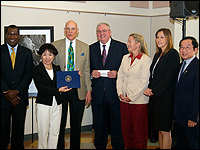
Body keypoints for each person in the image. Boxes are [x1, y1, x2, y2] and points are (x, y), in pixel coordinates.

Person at [52, 20, 92, 149]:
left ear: (77, 30)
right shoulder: (55, 45)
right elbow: (51, 67)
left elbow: (86, 70)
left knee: (76, 124)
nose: (70, 31)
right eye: (68, 29)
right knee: (60, 123)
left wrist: (88, 90)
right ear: (64, 30)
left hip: (78, 90)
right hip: (61, 89)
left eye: (73, 29)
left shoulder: (85, 47)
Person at [90, 22, 128, 149]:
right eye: (99, 31)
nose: (101, 34)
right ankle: (100, 146)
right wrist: (92, 73)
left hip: (115, 93)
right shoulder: (91, 48)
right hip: (98, 94)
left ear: (110, 32)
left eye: (104, 31)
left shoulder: (121, 47)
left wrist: (117, 73)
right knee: (99, 125)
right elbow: (87, 68)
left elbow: (127, 69)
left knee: (117, 125)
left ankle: (118, 146)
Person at [143, 28, 180, 149]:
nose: (158, 40)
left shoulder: (172, 54)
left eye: (162, 37)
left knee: (165, 130)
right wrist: (149, 88)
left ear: (168, 39)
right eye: (157, 37)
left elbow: (168, 78)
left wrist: (154, 91)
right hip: (156, 97)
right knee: (158, 129)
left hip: (166, 98)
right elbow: (153, 76)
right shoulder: (157, 54)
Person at [32, 43, 71, 149]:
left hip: (58, 103)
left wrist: (75, 78)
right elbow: (41, 88)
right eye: (44, 54)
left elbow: (64, 81)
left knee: (55, 132)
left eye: (50, 54)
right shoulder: (37, 69)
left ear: (54, 56)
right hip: (44, 104)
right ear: (41, 56)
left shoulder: (57, 68)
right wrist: (58, 90)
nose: (47, 57)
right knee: (43, 133)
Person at [1, 24, 33, 149]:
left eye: (15, 34)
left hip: (20, 98)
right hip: (3, 98)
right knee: (2, 129)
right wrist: (8, 93)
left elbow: (28, 74)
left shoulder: (26, 53)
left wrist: (17, 91)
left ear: (19, 36)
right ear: (6, 35)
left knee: (18, 130)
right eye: (9, 34)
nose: (12, 36)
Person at [116, 33, 151, 149]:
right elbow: (120, 77)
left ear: (138, 44)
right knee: (126, 131)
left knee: (139, 133)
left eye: (130, 42)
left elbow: (144, 82)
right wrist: (120, 93)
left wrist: (131, 97)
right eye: (128, 41)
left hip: (138, 101)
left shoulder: (146, 59)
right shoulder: (125, 58)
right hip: (124, 101)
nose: (127, 44)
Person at [174, 36, 199, 149]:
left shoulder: (197, 67)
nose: (184, 50)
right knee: (181, 144)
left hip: (190, 116)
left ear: (195, 50)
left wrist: (193, 117)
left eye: (188, 47)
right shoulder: (180, 66)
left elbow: (197, 94)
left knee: (192, 144)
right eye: (181, 47)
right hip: (179, 115)